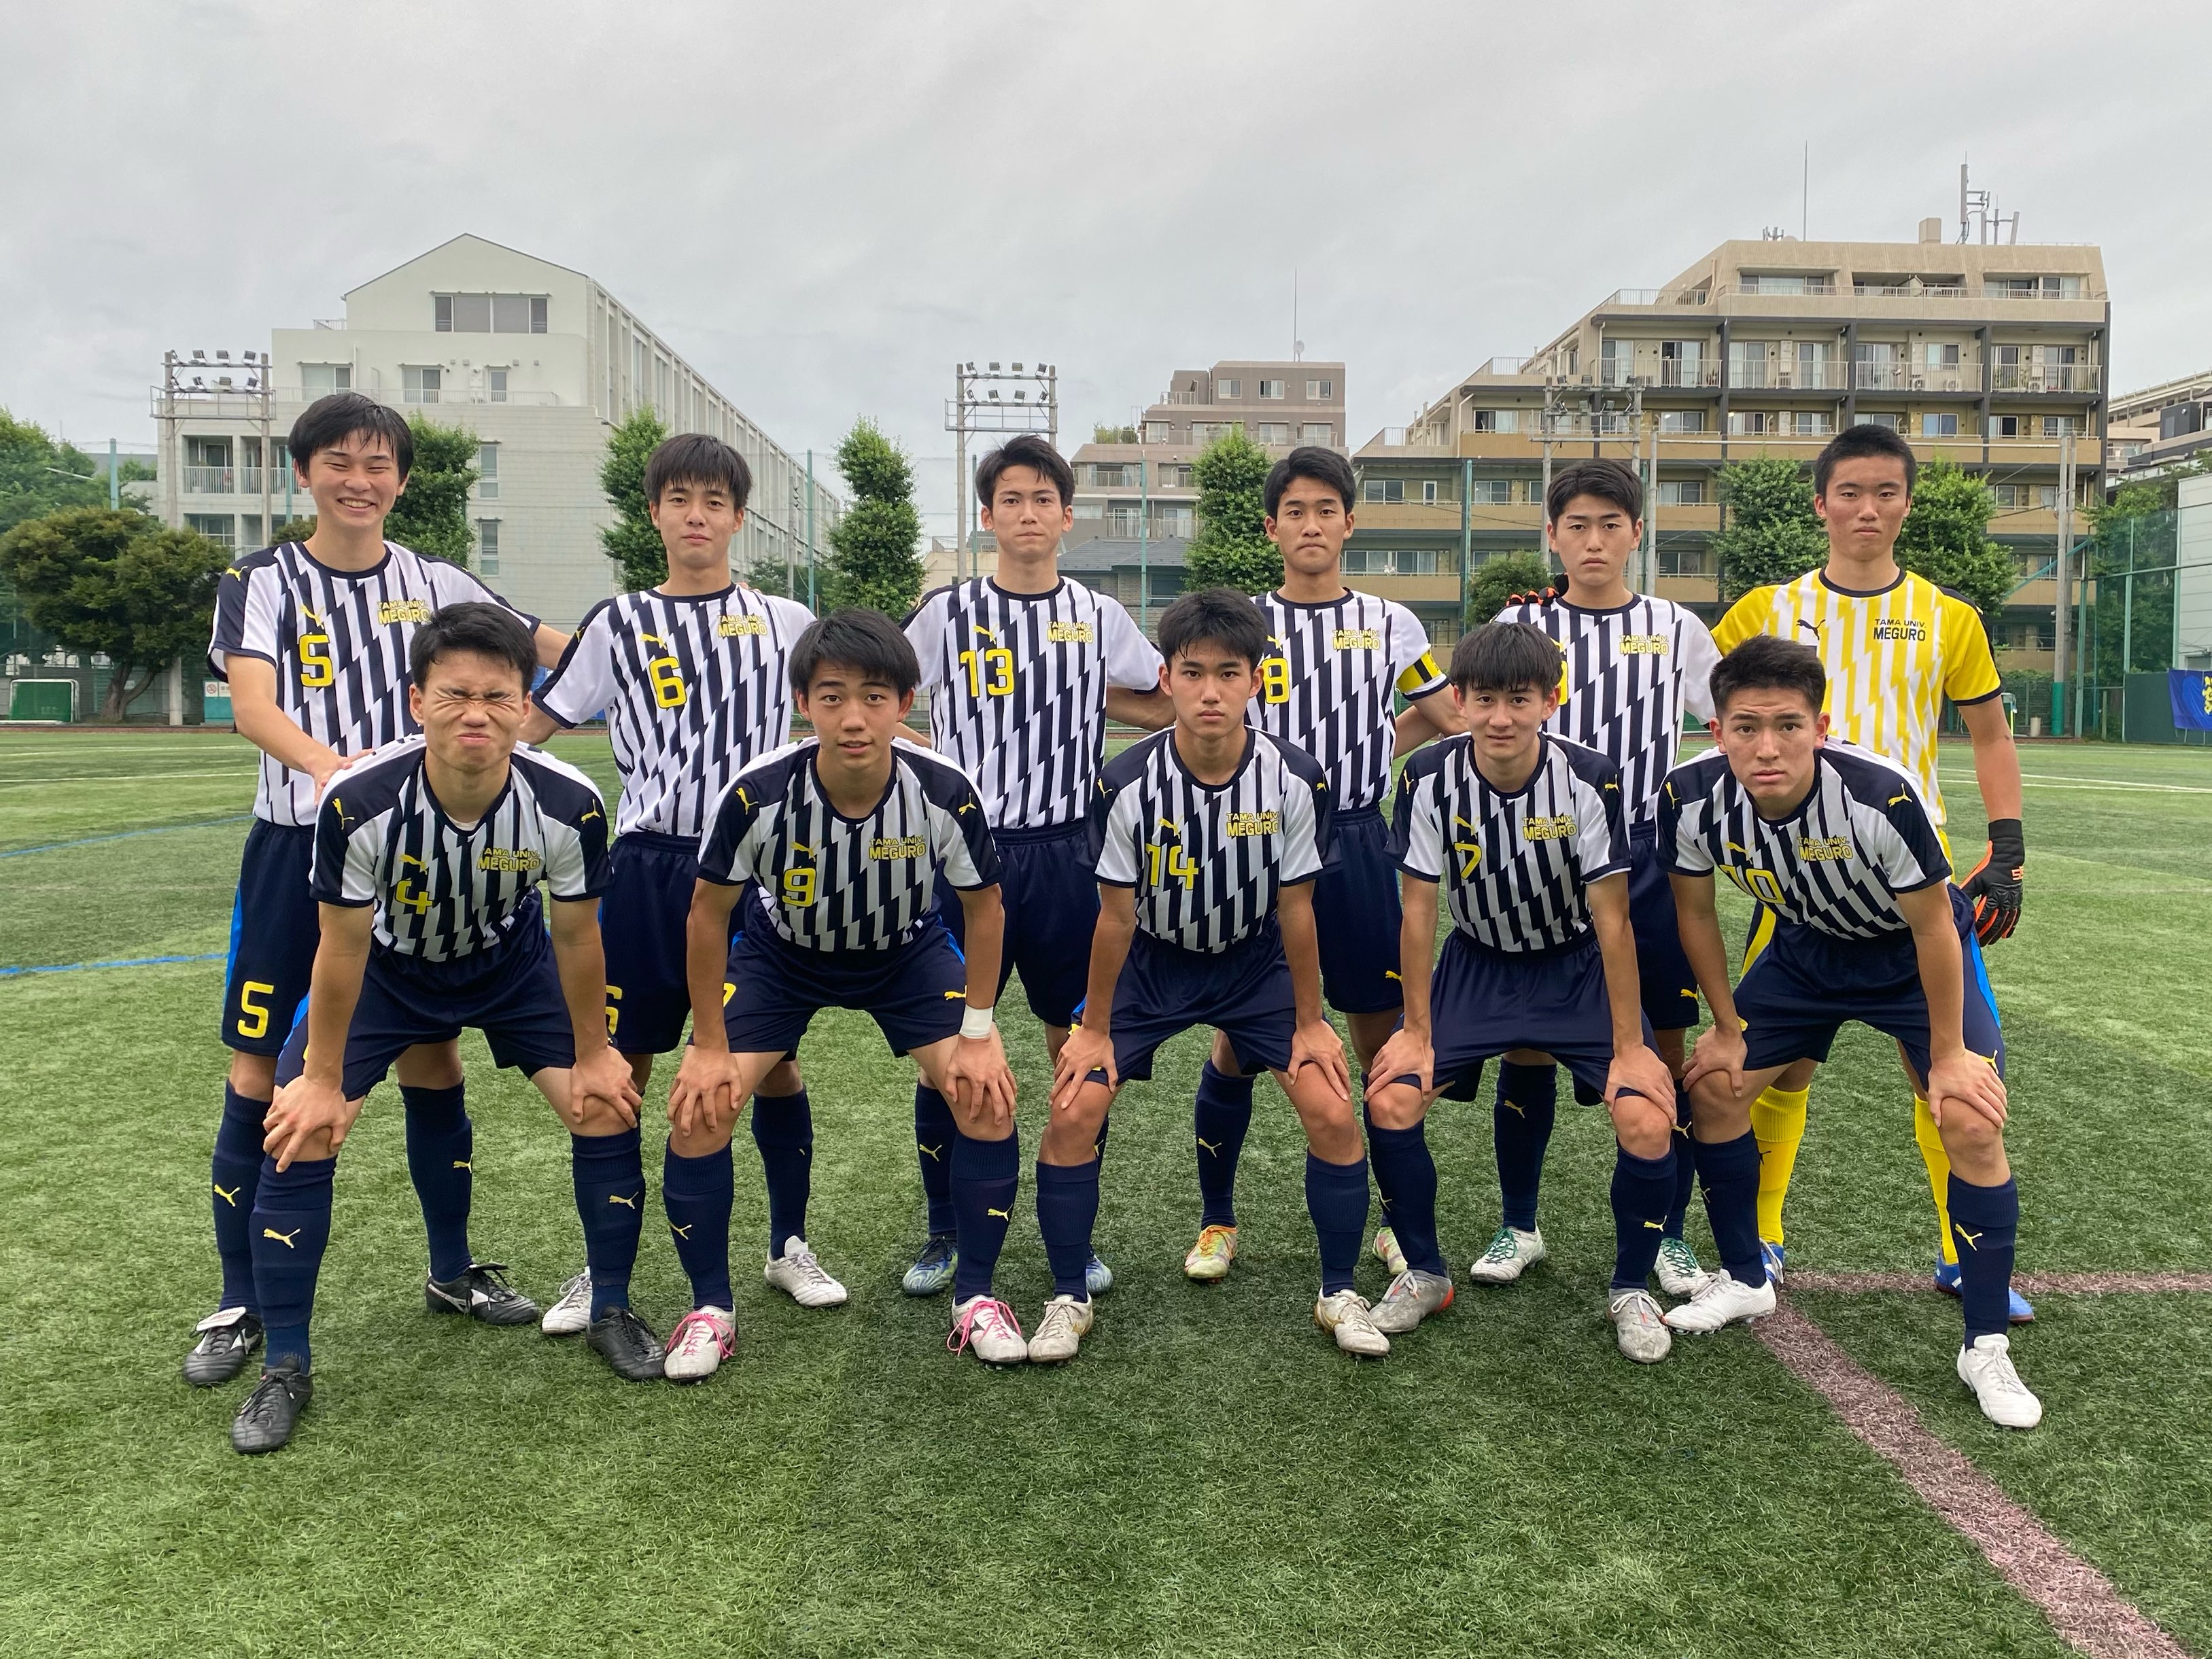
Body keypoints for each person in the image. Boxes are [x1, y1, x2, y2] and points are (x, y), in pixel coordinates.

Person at [191, 393, 568, 1389]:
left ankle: (451, 1270)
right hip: (297, 845)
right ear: (304, 471)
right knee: (260, 1073)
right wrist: (335, 773)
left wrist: (646, 635)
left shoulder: (435, 580)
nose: (358, 481)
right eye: (339, 462)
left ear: (400, 479)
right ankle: (237, 1302)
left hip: (418, 854)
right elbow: (252, 706)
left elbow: (549, 648)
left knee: (432, 1053)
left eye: (377, 465)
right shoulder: (259, 579)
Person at [230, 604, 642, 1453]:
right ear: (418, 700)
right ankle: (285, 1363)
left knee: (603, 1105)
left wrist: (596, 1053)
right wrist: (320, 1078)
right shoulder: (358, 800)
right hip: (388, 973)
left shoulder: (568, 802)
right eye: (455, 694)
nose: (476, 714)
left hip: (509, 965)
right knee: (303, 1129)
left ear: (525, 706)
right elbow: (341, 948)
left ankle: (610, 1307)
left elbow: (576, 937)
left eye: (497, 695)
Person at [1660, 636, 2039, 1428]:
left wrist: (1947, 1056)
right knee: (1715, 1088)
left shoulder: (1877, 793)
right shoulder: (1687, 796)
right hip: (1804, 952)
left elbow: (1933, 926)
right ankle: (1745, 1276)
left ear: (1820, 727)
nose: (1766, 747)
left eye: (1787, 725)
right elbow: (1693, 911)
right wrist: (1724, 1026)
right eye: (1745, 727)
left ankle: (1984, 1342)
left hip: (1908, 955)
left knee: (1968, 1116)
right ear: (1717, 730)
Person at [1711, 423, 2030, 1318]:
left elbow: (1988, 734)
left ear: (1905, 504)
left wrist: (2006, 848)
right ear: (1820, 503)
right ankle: (1760, 1239)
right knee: (1775, 1069)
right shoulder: (1761, 610)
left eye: (1884, 492)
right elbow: (1700, 702)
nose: (1866, 508)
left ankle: (1962, 1254)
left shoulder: (1946, 615)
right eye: (1848, 492)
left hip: (1913, 885)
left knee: (1949, 1075)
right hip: (1797, 881)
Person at [521, 434, 824, 1335]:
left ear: (738, 517)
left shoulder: (784, 620)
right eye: (680, 499)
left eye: (713, 501)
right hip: (649, 867)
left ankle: (788, 1244)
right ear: (653, 512)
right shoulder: (616, 623)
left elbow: (846, 705)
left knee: (769, 1061)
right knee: (622, 1064)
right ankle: (601, 1265)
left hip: (759, 865)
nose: (697, 516)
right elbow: (536, 724)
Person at [668, 610, 1019, 1378]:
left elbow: (986, 907)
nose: (853, 717)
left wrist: (979, 1029)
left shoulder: (943, 789)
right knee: (703, 1106)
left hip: (905, 953)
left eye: (873, 696)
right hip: (782, 954)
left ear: (905, 703)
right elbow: (707, 913)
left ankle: (976, 1296)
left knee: (985, 1095)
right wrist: (707, 1042)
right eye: (832, 696)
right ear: (803, 702)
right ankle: (713, 1306)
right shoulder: (757, 793)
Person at [1048, 587, 1383, 1362]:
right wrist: (1092, 1029)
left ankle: (1338, 1291)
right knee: (1071, 1111)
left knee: (1333, 1110)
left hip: (1252, 962)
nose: (1209, 692)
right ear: (1165, 677)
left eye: (1228, 673)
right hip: (1151, 962)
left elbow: (1298, 909)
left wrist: (1310, 1023)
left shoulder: (1295, 776)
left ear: (1255, 680)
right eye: (1192, 673)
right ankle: (1067, 1296)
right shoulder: (1123, 780)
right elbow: (1114, 917)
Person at [1415, 459, 1718, 1302]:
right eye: (1576, 526)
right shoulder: (1522, 622)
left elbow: (1725, 719)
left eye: (1610, 525)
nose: (1593, 541)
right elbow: (1470, 711)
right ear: (1551, 536)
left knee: (1660, 1047)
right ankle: (1519, 1223)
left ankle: (1667, 1234)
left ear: (1636, 533)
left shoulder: (1673, 625)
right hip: (1531, 850)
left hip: (1643, 854)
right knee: (1525, 1040)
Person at [1180, 445, 1458, 1285]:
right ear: (1271, 527)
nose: (1310, 524)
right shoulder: (1245, 625)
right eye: (1294, 511)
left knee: (1379, 1041)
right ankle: (1216, 1219)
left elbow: (1441, 712)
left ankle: (1391, 1221)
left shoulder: (1389, 622)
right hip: (1256, 840)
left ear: (1349, 522)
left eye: (1325, 509)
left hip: (1358, 842)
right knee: (1238, 1037)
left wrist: (1374, 748)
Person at [901, 434, 1171, 1297]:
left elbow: (1161, 697)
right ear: (987, 516)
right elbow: (883, 692)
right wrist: (929, 760)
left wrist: (1091, 694)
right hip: (965, 853)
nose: (1026, 513)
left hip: (1066, 855)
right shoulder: (945, 613)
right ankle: (945, 1227)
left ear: (1065, 515)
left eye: (1041, 499)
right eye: (1010, 499)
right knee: (948, 1044)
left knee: (1077, 1040)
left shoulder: (1097, 614)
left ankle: (1072, 1229)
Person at [1364, 623, 1680, 1358]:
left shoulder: (1589, 777)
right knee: (1390, 1098)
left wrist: (1630, 1045)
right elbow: (1418, 910)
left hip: (1574, 967)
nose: (1500, 717)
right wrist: (1414, 1030)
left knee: (1644, 1116)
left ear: (1550, 699)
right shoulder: (1427, 775)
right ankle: (1424, 1272)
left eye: (1518, 699)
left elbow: (1612, 920)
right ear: (1458, 699)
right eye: (1484, 699)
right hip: (1477, 965)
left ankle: (1630, 1288)